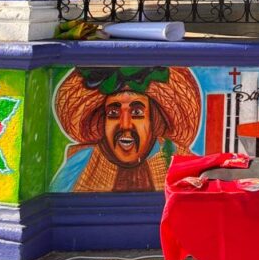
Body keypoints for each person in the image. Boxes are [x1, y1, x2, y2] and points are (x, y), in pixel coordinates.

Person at [52, 66, 201, 192]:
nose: (125, 125)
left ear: (154, 120)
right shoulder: (83, 161)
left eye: (137, 112)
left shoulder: (180, 159)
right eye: (113, 113)